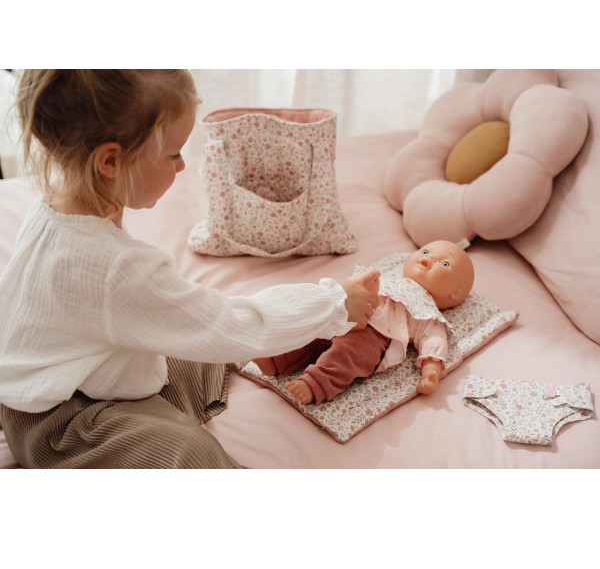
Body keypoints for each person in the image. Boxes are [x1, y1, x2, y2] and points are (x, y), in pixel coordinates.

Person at [0, 70, 380, 469]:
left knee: (182, 334)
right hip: (61, 426)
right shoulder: (117, 267)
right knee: (189, 449)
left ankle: (268, 349)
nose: (182, 166)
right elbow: (228, 324)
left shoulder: (51, 205)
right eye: (173, 154)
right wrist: (334, 302)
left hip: (63, 379)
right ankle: (267, 347)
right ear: (111, 160)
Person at [254, 240, 474, 403]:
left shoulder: (428, 311)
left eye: (445, 264)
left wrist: (431, 370)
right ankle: (277, 358)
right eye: (425, 251)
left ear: (455, 294)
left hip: (374, 335)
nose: (428, 259)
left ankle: (316, 383)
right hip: (346, 313)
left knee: (348, 355)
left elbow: (434, 339)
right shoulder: (388, 277)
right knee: (314, 329)